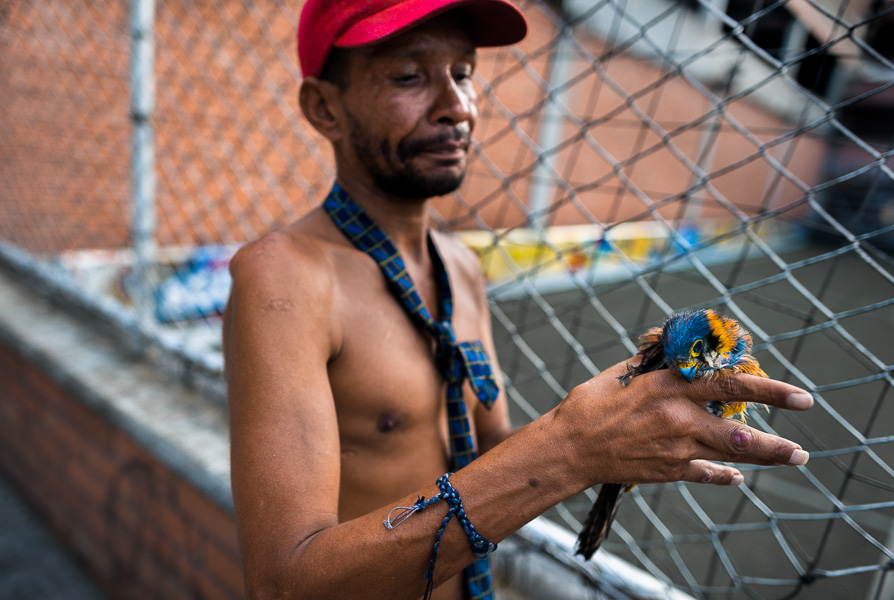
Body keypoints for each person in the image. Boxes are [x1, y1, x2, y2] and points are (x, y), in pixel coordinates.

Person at [222, 1, 814, 599]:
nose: (458, 107)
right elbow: (283, 585)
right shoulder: (285, 277)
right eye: (409, 76)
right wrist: (571, 446)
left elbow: (485, 452)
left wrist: (624, 421)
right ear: (324, 107)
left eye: (464, 72)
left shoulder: (458, 266)